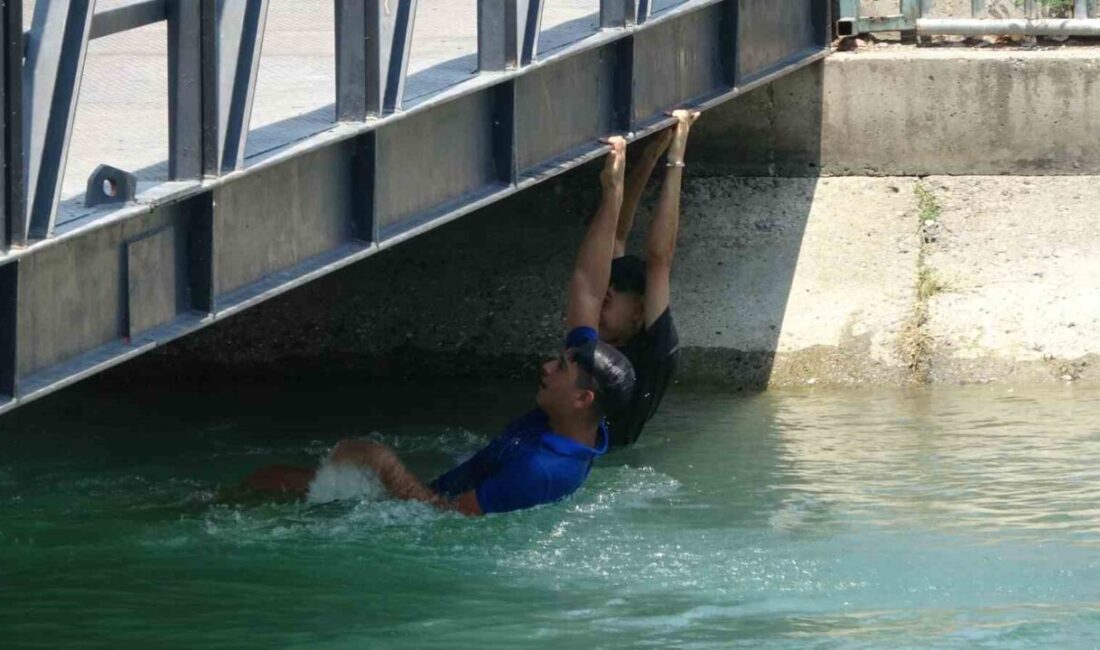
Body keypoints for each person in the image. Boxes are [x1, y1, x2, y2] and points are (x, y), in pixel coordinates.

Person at [241, 138, 636, 516]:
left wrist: (385, 465)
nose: (548, 366)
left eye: (562, 368)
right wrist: (612, 195)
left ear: (582, 398)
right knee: (269, 481)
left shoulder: (541, 470)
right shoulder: (578, 415)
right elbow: (587, 285)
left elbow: (444, 520)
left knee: (271, 484)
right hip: (431, 493)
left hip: (413, 515)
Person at [597, 109, 700, 447]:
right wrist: (648, 155)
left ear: (639, 312)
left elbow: (660, 260)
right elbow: (616, 238)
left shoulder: (656, 351)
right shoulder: (603, 338)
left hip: (606, 457)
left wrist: (676, 157)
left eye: (607, 303)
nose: (594, 309)